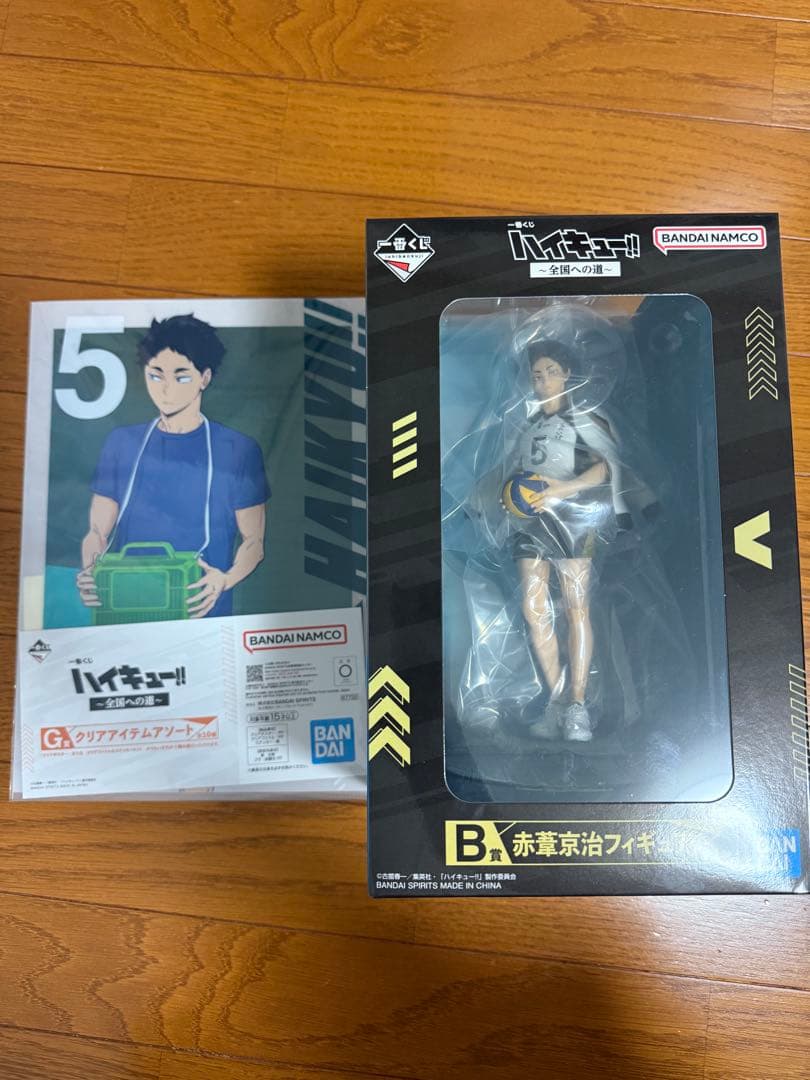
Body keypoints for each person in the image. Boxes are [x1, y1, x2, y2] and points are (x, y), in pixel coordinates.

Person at [76, 314, 269, 619]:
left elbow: (254, 542)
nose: (166, 389)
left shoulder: (237, 449)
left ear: (205, 378)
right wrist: (91, 570)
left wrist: (225, 580)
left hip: (201, 606)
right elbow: (98, 531)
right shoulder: (122, 443)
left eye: (181, 377)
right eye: (155, 375)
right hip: (127, 604)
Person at [502, 339, 620, 742]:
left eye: (551, 372)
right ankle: (556, 699)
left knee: (575, 607)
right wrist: (503, 498)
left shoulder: (583, 419)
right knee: (533, 609)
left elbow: (604, 468)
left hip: (572, 519)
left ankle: (578, 704)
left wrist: (561, 490)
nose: (544, 381)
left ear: (567, 374)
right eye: (537, 375)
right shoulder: (527, 425)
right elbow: (515, 470)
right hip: (531, 522)